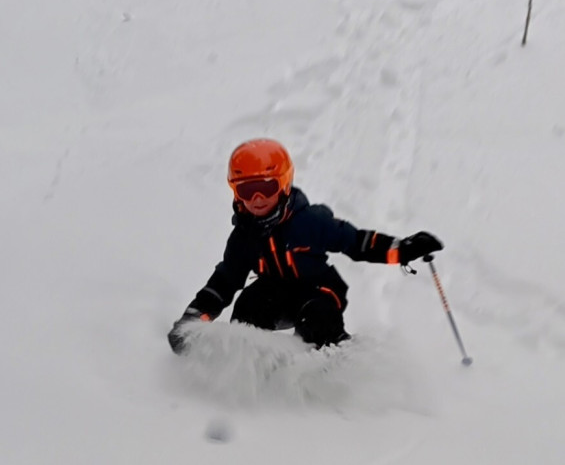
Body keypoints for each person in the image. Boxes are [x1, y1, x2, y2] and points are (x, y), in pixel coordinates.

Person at [168, 138, 443, 354]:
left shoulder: (310, 221)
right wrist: (194, 319)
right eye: (247, 191)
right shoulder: (244, 236)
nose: (258, 198)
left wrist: (403, 249)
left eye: (266, 186)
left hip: (318, 290)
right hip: (273, 293)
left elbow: (357, 242)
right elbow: (225, 281)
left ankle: (337, 359)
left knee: (317, 318)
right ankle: (256, 366)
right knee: (247, 309)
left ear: (284, 183)